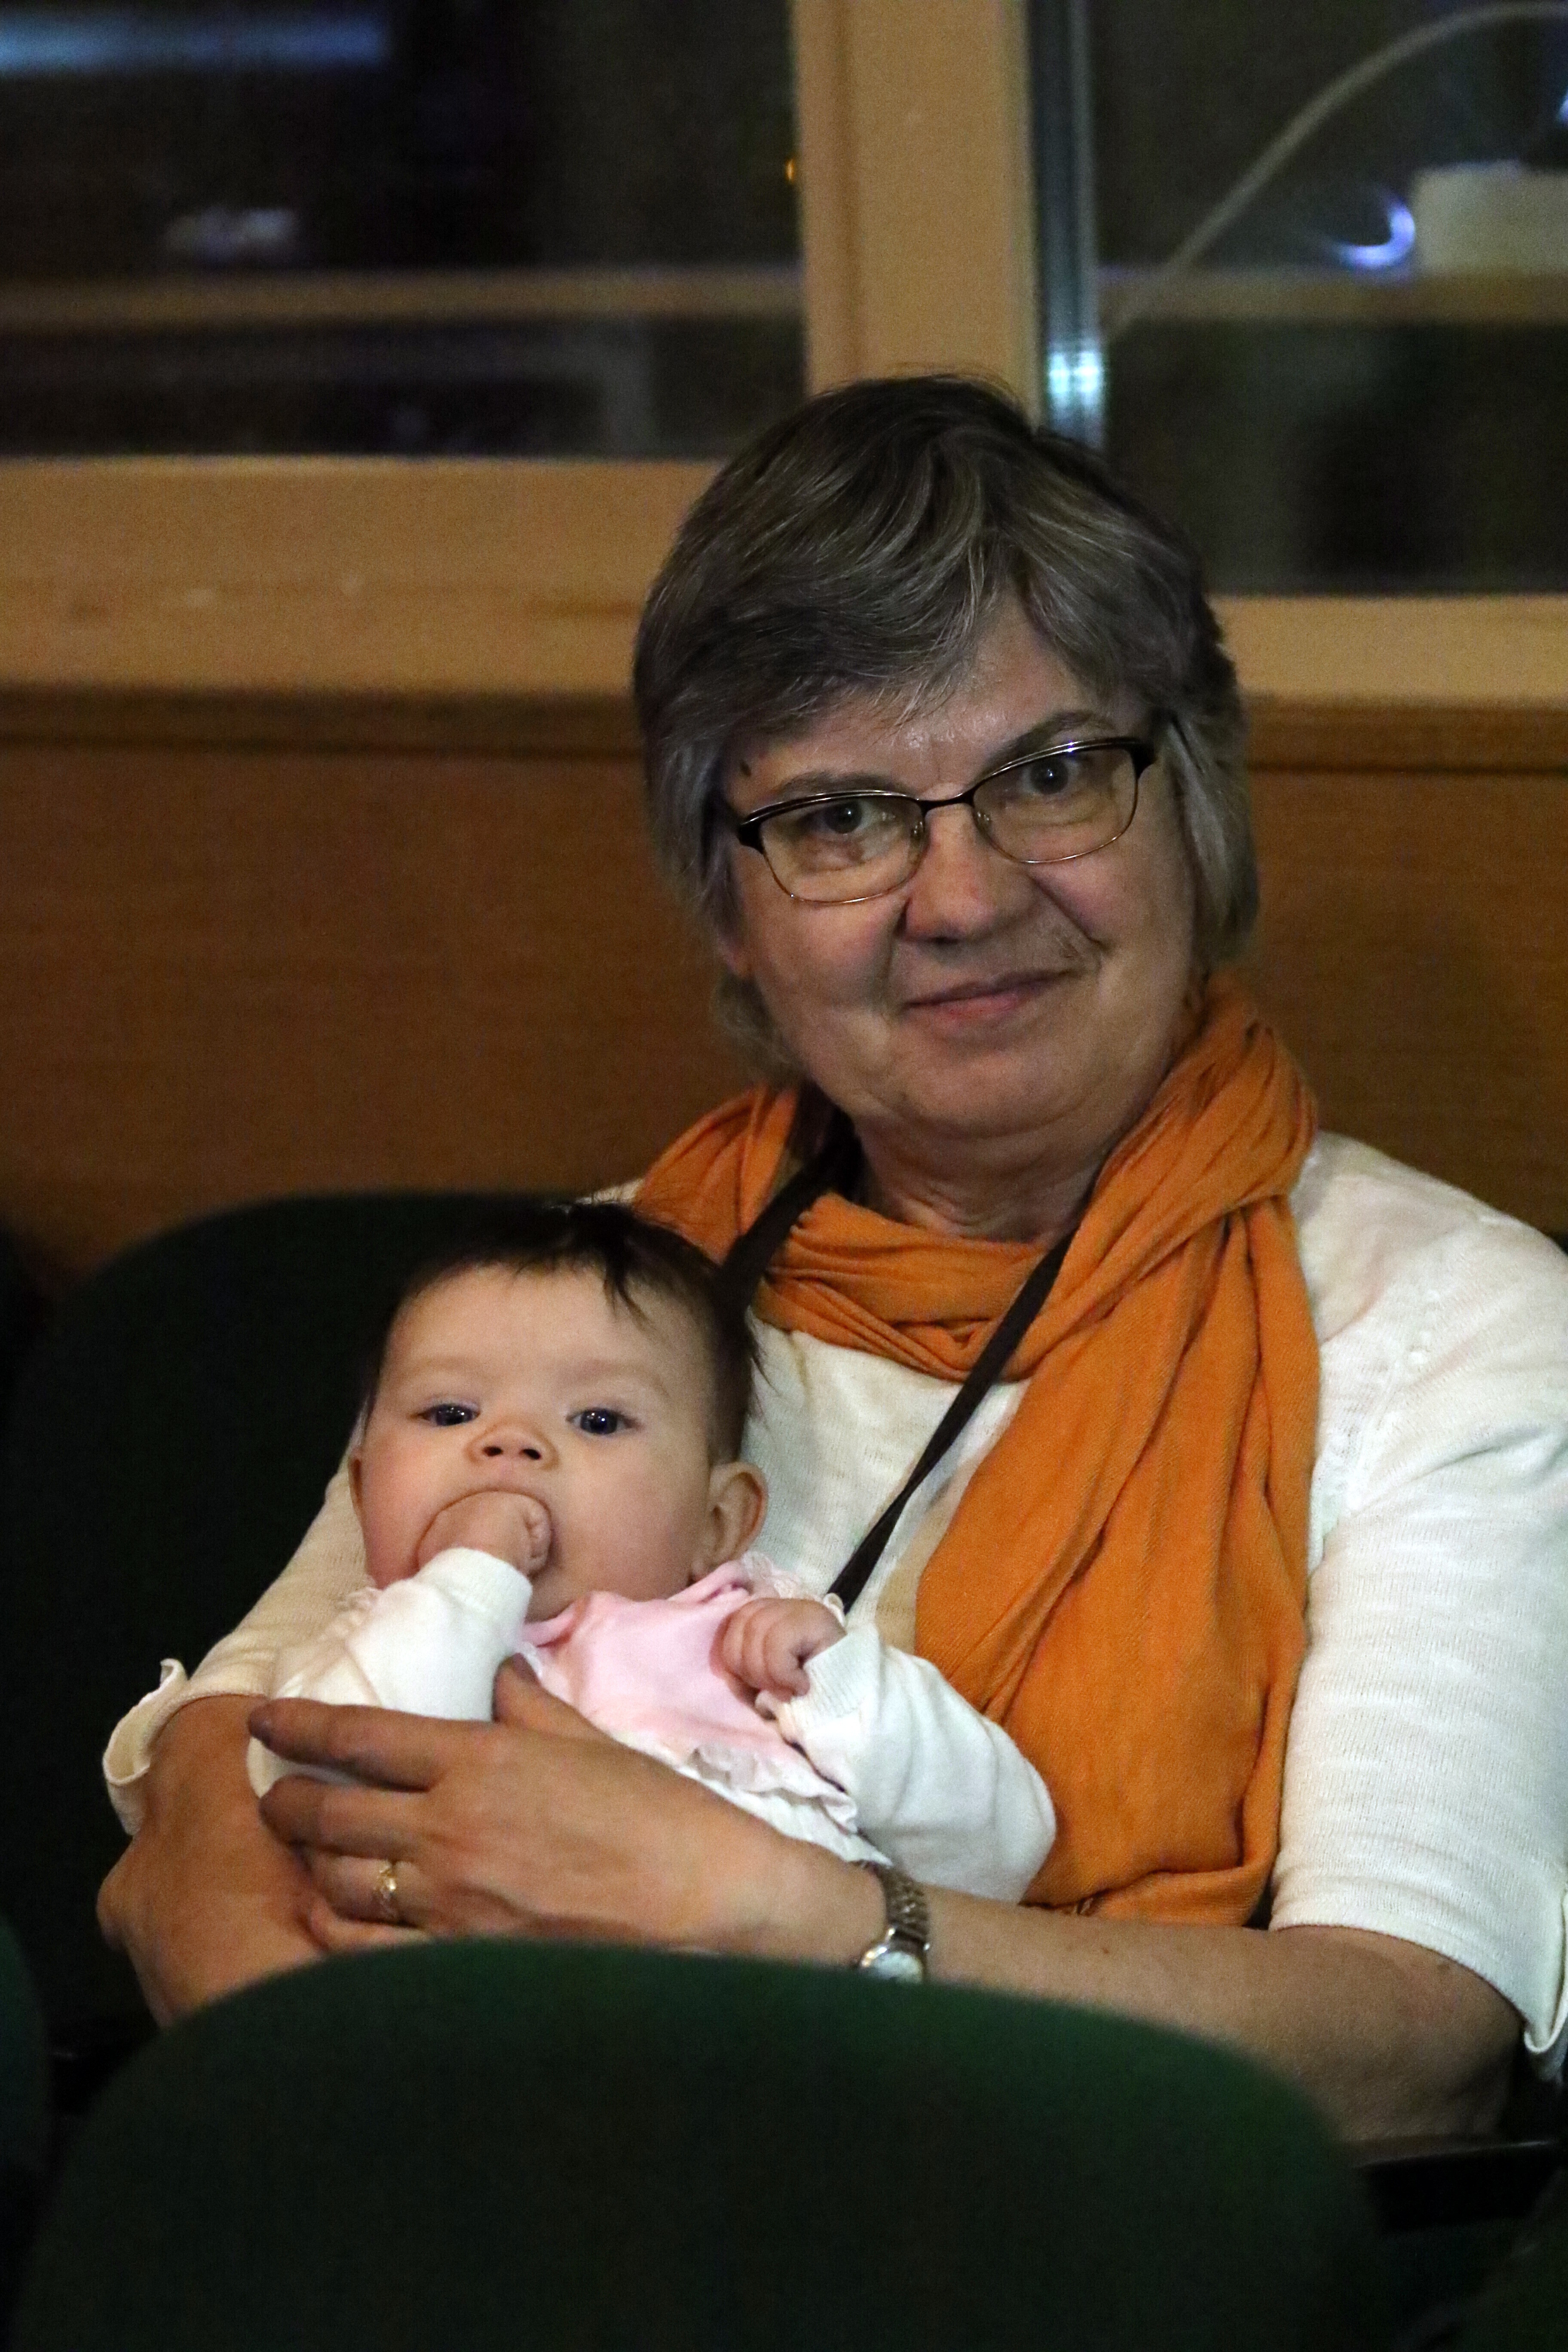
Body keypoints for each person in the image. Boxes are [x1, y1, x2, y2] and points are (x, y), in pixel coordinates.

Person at [99, 375, 1568, 2141]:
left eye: (1051, 774)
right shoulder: (597, 1289)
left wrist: (785, 1919)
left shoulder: (1453, 1331)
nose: (962, 899)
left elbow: (1412, 2046)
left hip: (1089, 2241)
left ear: (1193, 803)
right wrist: (353, 2094)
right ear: (726, 905)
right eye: (841, 819)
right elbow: (214, 1783)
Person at [237, 1200, 1056, 1904]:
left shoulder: (757, 1654)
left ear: (716, 1524)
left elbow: (1000, 1853)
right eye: (450, 1413)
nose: (510, 1444)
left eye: (598, 1421)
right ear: (362, 1495)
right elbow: (331, 1793)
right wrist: (467, 1578)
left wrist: (849, 1687)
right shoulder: (361, 1654)